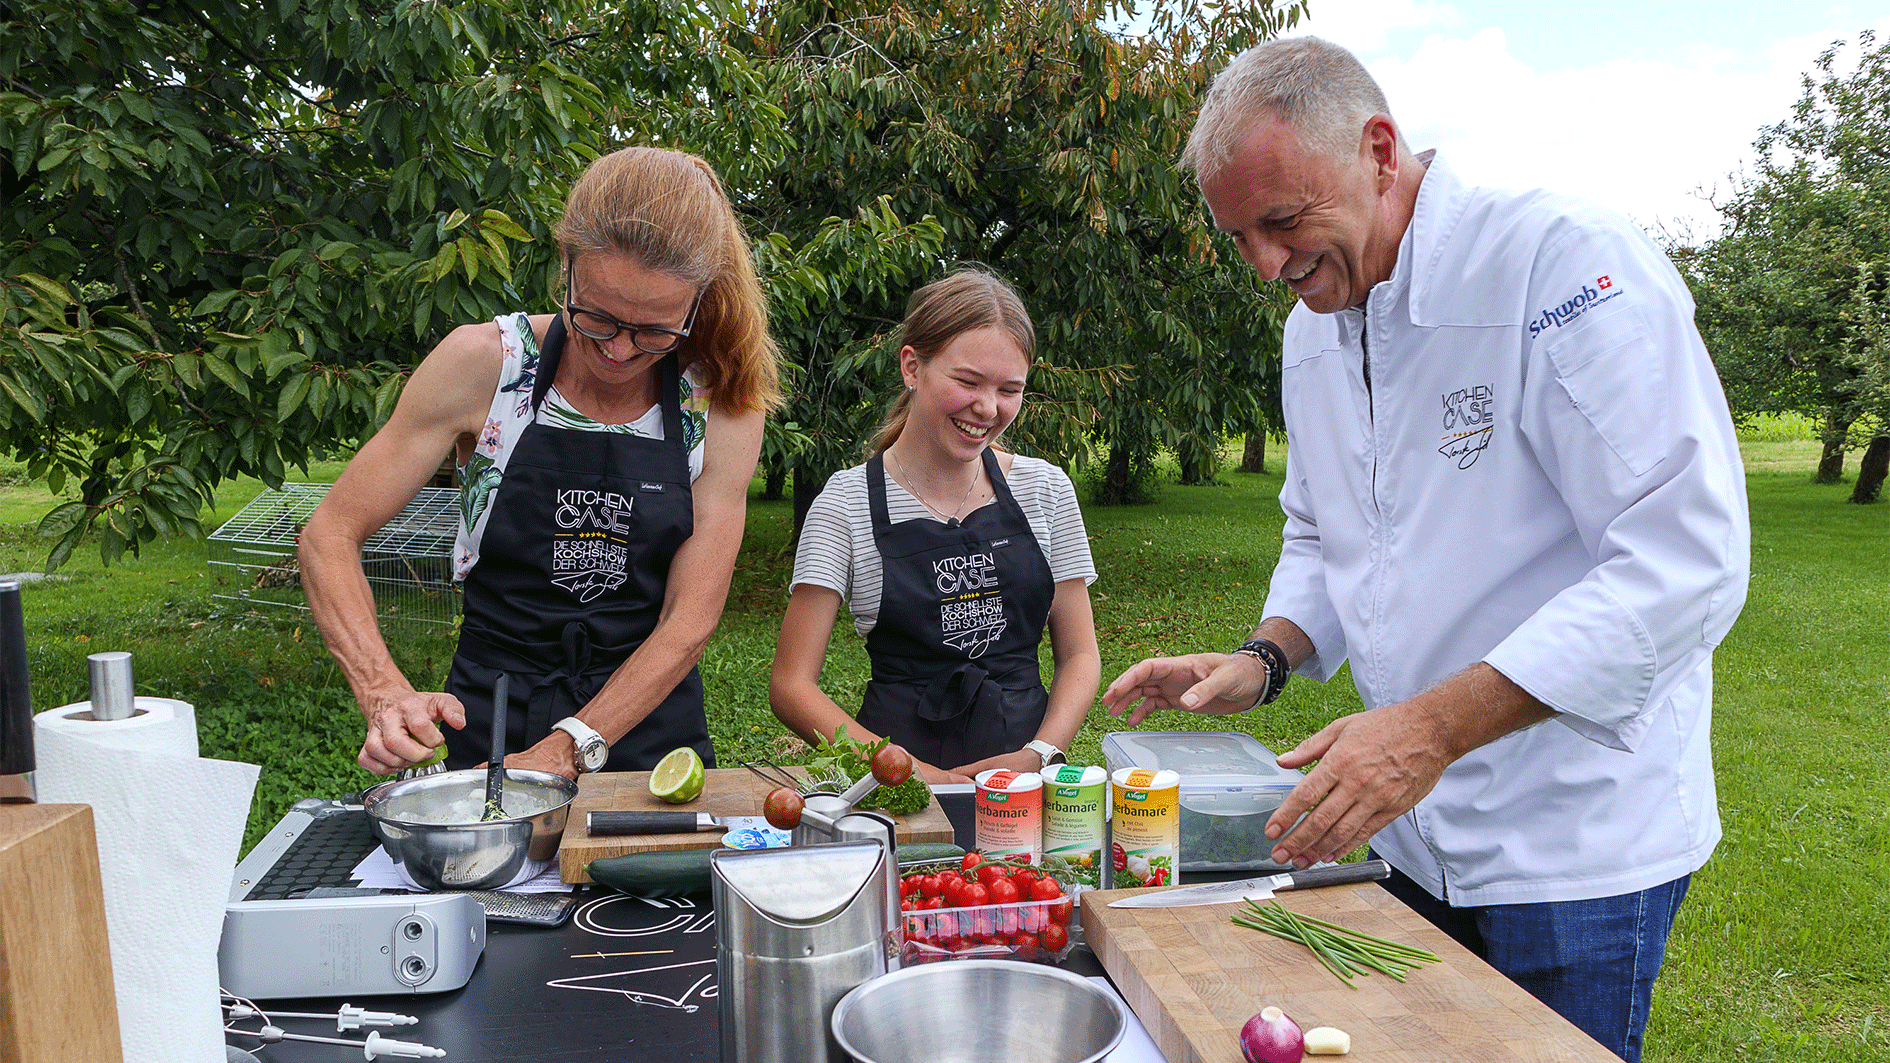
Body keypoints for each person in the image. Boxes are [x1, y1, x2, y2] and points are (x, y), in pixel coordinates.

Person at [1099, 37, 1749, 1062]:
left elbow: (1686, 562)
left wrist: (1429, 731)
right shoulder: (1311, 327)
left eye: (1283, 222)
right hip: (1409, 834)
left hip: (1571, 844)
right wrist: (1264, 657)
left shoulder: (1563, 265)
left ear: (1380, 149)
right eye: (1239, 237)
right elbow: (1324, 529)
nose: (1268, 265)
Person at [301, 146, 780, 779]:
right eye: (598, 318)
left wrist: (570, 745)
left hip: (645, 729)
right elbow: (329, 534)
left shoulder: (721, 404)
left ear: (697, 304)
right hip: (491, 710)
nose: (620, 352)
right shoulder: (487, 365)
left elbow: (688, 620)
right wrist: (383, 690)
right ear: (568, 265)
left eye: (656, 332)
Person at [770, 270, 1101, 784]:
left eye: (1009, 390)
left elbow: (1080, 656)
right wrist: (910, 773)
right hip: (897, 790)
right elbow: (792, 686)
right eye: (967, 382)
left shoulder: (1046, 490)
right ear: (911, 366)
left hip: (1025, 788)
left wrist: (1039, 753)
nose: (987, 408)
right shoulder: (846, 503)